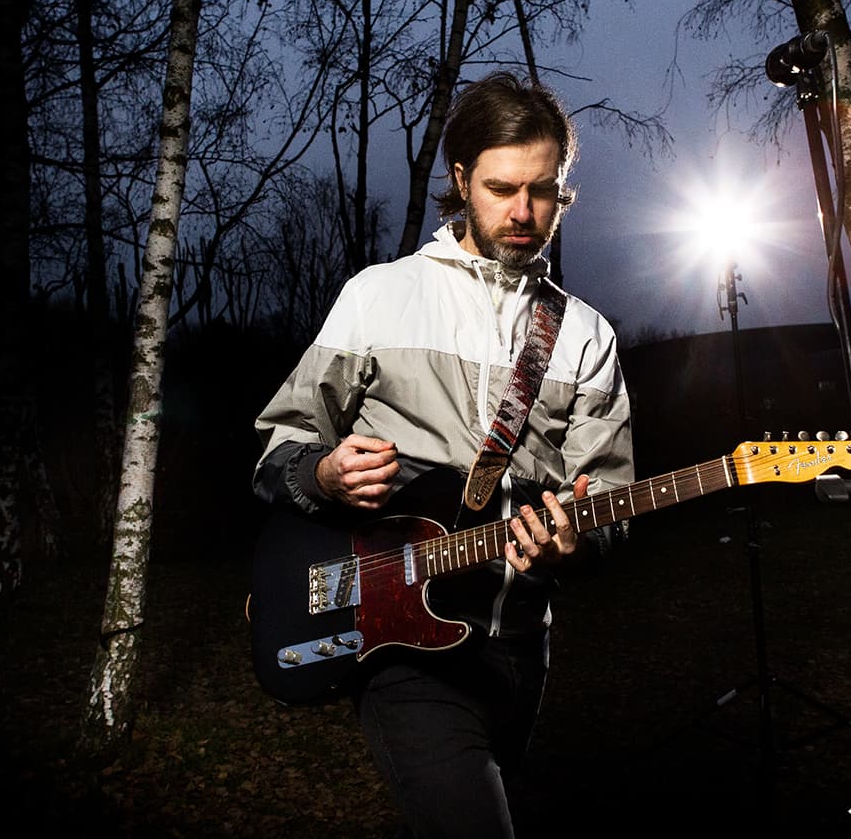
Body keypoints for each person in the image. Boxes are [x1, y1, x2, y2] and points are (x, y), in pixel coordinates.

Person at [251, 70, 636, 838]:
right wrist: (324, 473)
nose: (524, 212)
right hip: (405, 647)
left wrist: (577, 539)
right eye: (501, 188)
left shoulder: (588, 336)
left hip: (523, 648)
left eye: (543, 190)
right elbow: (278, 452)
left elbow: (611, 506)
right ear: (461, 181)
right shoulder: (378, 296)